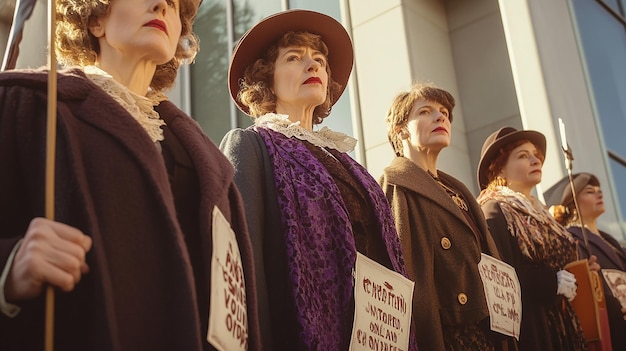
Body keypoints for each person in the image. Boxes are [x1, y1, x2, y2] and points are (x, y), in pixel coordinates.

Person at [0, 0, 261, 349]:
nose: (161, 6)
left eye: (173, 4)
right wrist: (9, 269)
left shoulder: (210, 164)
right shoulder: (28, 104)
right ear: (95, 18)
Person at [220, 9, 413, 350]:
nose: (313, 66)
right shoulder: (250, 145)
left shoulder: (349, 164)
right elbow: (242, 264)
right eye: (294, 58)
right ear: (267, 78)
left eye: (320, 60)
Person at [379, 83, 514, 351]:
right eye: (426, 112)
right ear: (400, 130)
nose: (441, 117)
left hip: (484, 332)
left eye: (443, 112)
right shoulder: (395, 185)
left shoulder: (459, 190)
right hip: (446, 336)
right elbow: (399, 275)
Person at [476, 127, 589, 351]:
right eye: (523, 155)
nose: (535, 159)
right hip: (533, 329)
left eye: (535, 154)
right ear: (498, 170)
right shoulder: (495, 209)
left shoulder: (543, 214)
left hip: (563, 322)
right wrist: (550, 283)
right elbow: (500, 279)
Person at [551, 172, 626, 350]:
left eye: (599, 191)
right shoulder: (570, 238)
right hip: (609, 325)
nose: (599, 194)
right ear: (573, 203)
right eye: (590, 192)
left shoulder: (612, 241)